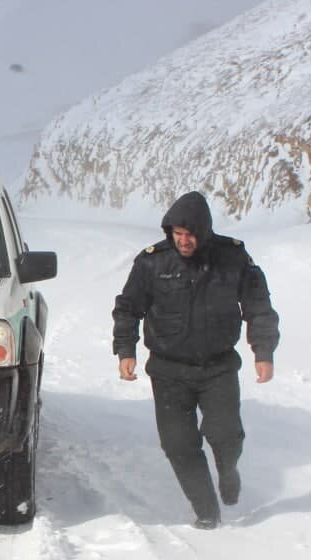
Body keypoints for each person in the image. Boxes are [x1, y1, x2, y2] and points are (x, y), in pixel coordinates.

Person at [112, 190, 280, 529]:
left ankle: (228, 470)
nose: (183, 241)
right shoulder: (151, 262)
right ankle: (206, 509)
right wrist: (126, 350)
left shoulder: (232, 258)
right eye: (177, 235)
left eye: (190, 235)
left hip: (217, 367)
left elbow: (258, 306)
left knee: (225, 434)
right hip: (168, 369)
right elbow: (128, 308)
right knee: (179, 445)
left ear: (204, 232)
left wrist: (263, 351)